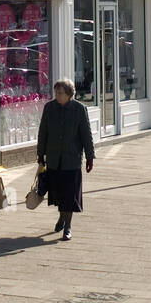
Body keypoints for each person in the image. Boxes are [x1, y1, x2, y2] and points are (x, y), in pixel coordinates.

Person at [35, 78, 95, 241]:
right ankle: (62, 217)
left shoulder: (79, 109)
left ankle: (67, 226)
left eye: (60, 93)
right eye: (56, 92)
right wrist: (41, 154)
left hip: (72, 160)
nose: (57, 95)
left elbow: (86, 135)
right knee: (58, 193)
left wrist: (90, 157)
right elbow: (43, 132)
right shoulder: (49, 108)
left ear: (69, 94)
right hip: (54, 159)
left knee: (69, 195)